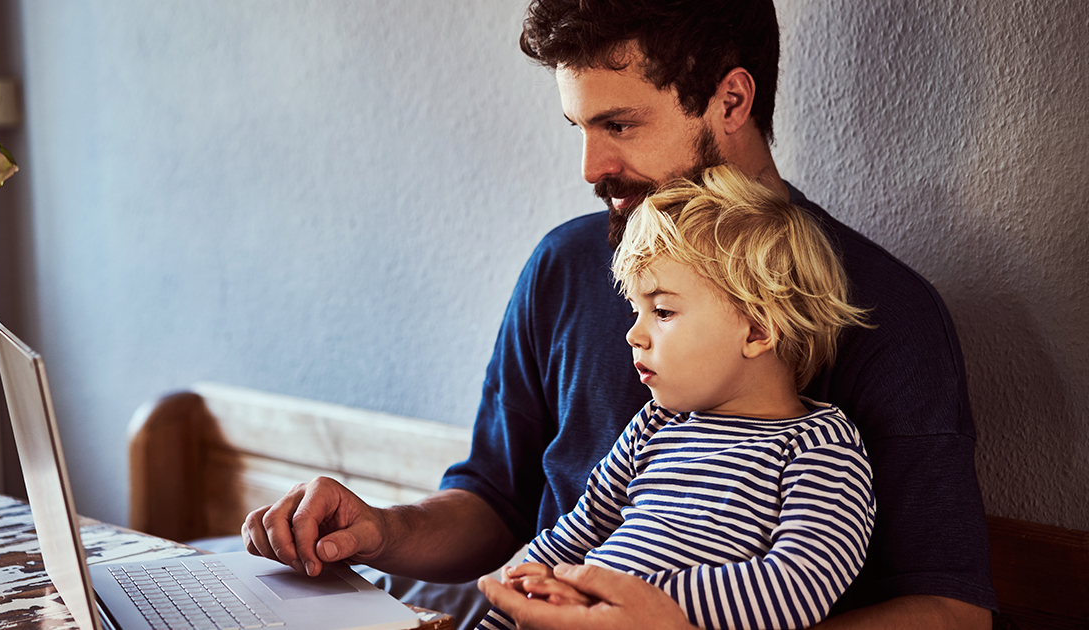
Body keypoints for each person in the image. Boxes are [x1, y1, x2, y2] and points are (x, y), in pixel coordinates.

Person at [243, 1, 997, 628]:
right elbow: (495, 504)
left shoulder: (879, 311)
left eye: (620, 125)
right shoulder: (565, 265)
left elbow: (951, 612)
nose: (590, 168)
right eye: (579, 127)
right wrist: (381, 529)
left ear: (732, 102)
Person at [476, 166, 878, 630]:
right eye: (636, 310)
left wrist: (631, 600)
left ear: (757, 330)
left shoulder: (820, 449)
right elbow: (580, 530)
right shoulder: (653, 425)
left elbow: (796, 587)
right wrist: (515, 592)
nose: (633, 334)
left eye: (663, 311)